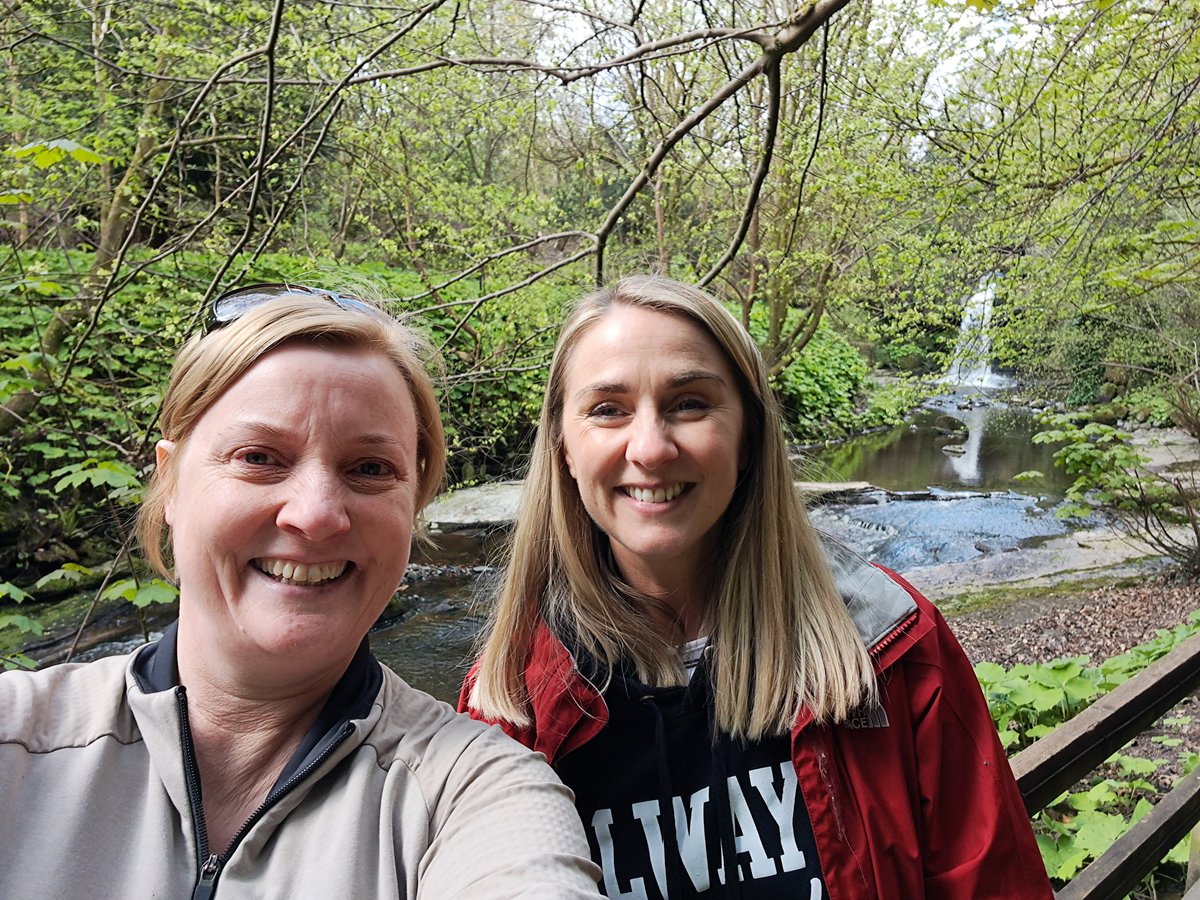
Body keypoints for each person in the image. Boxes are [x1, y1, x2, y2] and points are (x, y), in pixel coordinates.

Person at [459, 275, 1053, 899]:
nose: (652, 448)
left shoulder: (890, 649)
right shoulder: (510, 700)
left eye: (689, 403)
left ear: (748, 436)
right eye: (607, 409)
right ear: (563, 446)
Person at [0, 284, 601, 898]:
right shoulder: (18, 740)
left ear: (412, 508)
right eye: (259, 457)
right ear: (171, 483)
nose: (315, 515)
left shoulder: (473, 795)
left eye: (370, 469)